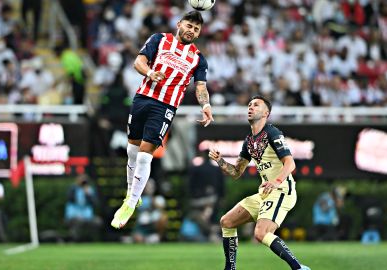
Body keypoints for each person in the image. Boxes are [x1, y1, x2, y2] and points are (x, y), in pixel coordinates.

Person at [111, 11, 214, 229]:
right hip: (142, 99)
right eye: (189, 25)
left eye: (196, 29)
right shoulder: (159, 39)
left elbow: (201, 87)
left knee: (145, 154)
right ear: (179, 24)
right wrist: (150, 73)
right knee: (132, 150)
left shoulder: (198, 58)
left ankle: (130, 203)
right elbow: (138, 62)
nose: (191, 30)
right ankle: (132, 194)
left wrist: (205, 105)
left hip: (165, 106)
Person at [208, 96, 309, 270]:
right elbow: (236, 172)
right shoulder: (249, 141)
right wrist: (221, 161)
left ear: (266, 113)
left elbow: (290, 163)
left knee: (261, 233)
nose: (251, 107)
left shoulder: (272, 132)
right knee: (227, 222)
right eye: (249, 105)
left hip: (282, 190)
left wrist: (276, 181)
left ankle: (298, 268)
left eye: (256, 105)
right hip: (265, 193)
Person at [65, 174, 102, 242]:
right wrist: (77, 187)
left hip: (87, 216)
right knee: (78, 221)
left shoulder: (89, 190)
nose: (83, 184)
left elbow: (95, 203)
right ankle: (74, 240)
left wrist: (88, 194)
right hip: (73, 216)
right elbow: (69, 198)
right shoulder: (73, 189)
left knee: (97, 221)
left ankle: (91, 240)